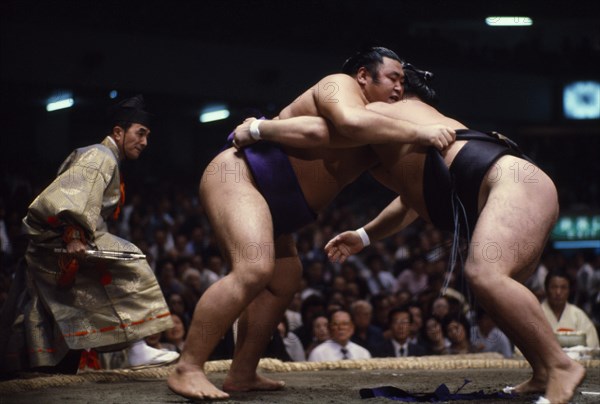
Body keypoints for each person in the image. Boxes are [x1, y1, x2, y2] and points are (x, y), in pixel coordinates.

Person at [168, 47, 456, 400]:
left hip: (280, 208)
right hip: (241, 176)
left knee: (285, 278)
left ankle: (242, 373)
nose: (400, 87)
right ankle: (188, 368)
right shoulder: (339, 85)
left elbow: (411, 194)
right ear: (364, 75)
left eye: (403, 82)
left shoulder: (377, 139)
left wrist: (367, 234)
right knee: (254, 270)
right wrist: (419, 132)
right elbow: (348, 123)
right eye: (394, 78)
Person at [323, 63, 585, 403]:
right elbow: (411, 203)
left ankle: (561, 365)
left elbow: (333, 126)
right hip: (517, 186)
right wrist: (364, 235)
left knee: (484, 274)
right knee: (498, 294)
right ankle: (543, 372)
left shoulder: (381, 111)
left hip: (511, 183)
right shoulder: (404, 139)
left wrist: (262, 130)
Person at [0, 95, 178, 372]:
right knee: (131, 259)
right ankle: (136, 348)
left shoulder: (106, 158)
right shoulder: (100, 156)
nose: (145, 142)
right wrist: (73, 235)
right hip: (60, 242)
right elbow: (72, 196)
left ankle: (61, 366)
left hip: (65, 242)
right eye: (140, 133)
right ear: (118, 132)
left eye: (147, 135)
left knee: (59, 313)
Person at [541, 269, 599, 348]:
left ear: (569, 290)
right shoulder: (536, 312)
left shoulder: (578, 315)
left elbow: (592, 347)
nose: (558, 292)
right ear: (546, 289)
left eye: (563, 287)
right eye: (554, 287)